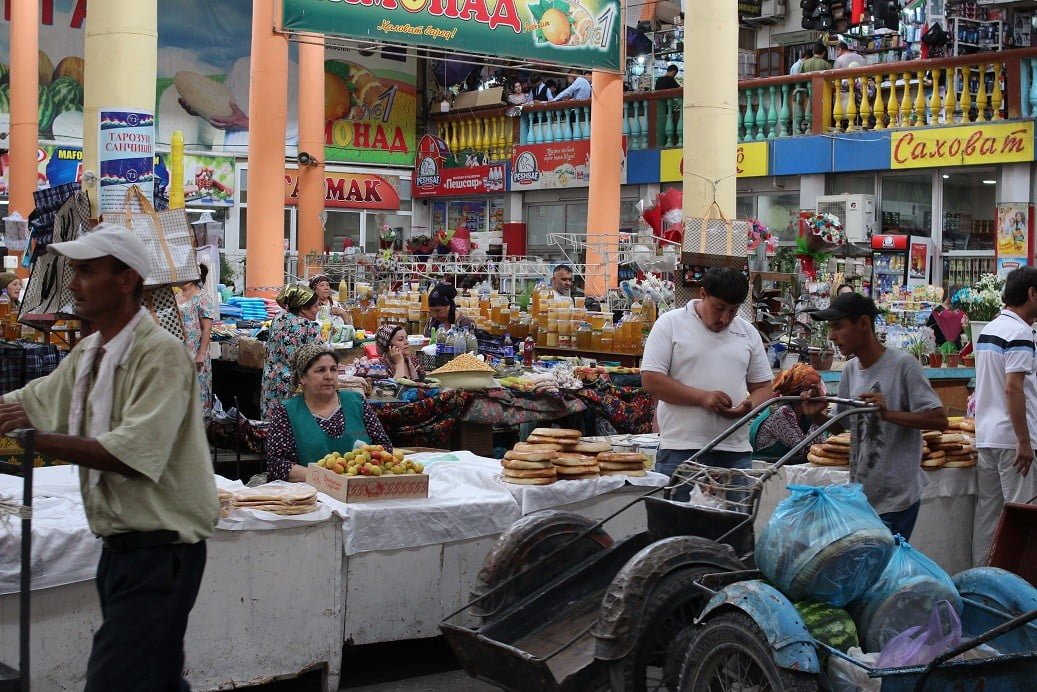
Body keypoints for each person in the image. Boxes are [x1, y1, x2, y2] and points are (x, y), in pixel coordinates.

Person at [0, 223, 219, 690]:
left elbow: (133, 453)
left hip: (161, 555)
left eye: (85, 271)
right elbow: (28, 401)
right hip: (121, 552)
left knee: (117, 680)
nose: (73, 283)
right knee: (154, 678)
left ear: (126, 280)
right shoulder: (89, 356)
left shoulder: (160, 355)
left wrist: (35, 438)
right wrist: (15, 421)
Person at [804, 292, 947, 539]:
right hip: (862, 496)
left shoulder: (904, 365)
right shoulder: (850, 370)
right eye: (829, 328)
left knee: (883, 570)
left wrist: (888, 414)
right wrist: (817, 416)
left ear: (863, 324)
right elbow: (847, 429)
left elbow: (938, 419)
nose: (831, 336)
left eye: (838, 327)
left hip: (897, 498)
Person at [642, 268, 774, 500]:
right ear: (703, 294)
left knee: (735, 528)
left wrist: (749, 405)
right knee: (675, 528)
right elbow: (651, 380)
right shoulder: (670, 324)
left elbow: (764, 387)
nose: (724, 319)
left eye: (733, 311)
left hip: (734, 451)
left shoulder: (748, 333)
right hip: (680, 450)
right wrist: (703, 398)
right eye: (719, 308)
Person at [973, 266, 1037, 565]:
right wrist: (1023, 440)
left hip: (986, 436)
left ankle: (980, 580)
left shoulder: (990, 329)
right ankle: (1015, 591)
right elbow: (1013, 388)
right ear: (1032, 294)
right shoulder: (1020, 332)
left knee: (988, 515)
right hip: (1013, 442)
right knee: (1020, 518)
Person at [266, 343, 393, 482]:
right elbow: (277, 465)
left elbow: (384, 446)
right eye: (320, 370)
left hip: (361, 489)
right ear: (302, 378)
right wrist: (328, 479)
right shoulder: (286, 412)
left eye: (333, 369)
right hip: (311, 495)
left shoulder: (356, 402)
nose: (329, 376)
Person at [260, 284, 322, 418]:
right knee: (292, 428)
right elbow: (321, 358)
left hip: (273, 381)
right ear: (303, 308)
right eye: (316, 306)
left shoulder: (279, 318)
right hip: (294, 386)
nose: (318, 309)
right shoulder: (309, 327)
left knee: (274, 424)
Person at [750, 363, 826, 461]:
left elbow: (823, 443)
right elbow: (807, 450)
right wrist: (817, 416)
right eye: (818, 390)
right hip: (765, 468)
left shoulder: (803, 415)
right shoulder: (782, 413)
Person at [177, 264, 217, 419]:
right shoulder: (176, 298)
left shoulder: (203, 298)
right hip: (179, 351)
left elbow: (207, 329)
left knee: (197, 391)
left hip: (195, 352)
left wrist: (201, 353)